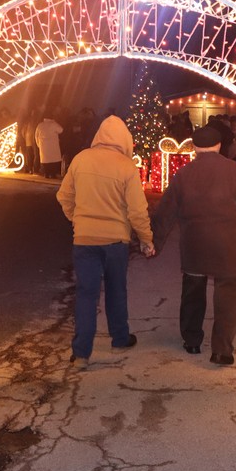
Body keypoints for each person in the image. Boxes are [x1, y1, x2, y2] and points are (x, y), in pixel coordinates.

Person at [153, 124, 236, 366]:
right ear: (219, 146)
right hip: (229, 248)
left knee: (193, 291)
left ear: (194, 147)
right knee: (229, 295)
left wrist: (153, 241)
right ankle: (221, 350)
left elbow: (166, 211)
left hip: (195, 245)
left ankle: (192, 341)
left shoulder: (183, 174)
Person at [56, 115, 156, 369]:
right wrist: (146, 239)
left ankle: (81, 354)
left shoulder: (81, 159)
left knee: (86, 295)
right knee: (116, 291)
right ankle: (120, 338)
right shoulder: (125, 166)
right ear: (125, 140)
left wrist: (77, 220)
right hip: (115, 242)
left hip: (84, 240)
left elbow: (64, 196)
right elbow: (137, 210)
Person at [35, 113, 64, 179]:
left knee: (46, 162)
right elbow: (61, 130)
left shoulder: (40, 125)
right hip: (53, 146)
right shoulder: (53, 124)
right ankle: (53, 174)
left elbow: (36, 136)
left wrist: (39, 145)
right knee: (53, 161)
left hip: (43, 147)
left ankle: (46, 174)